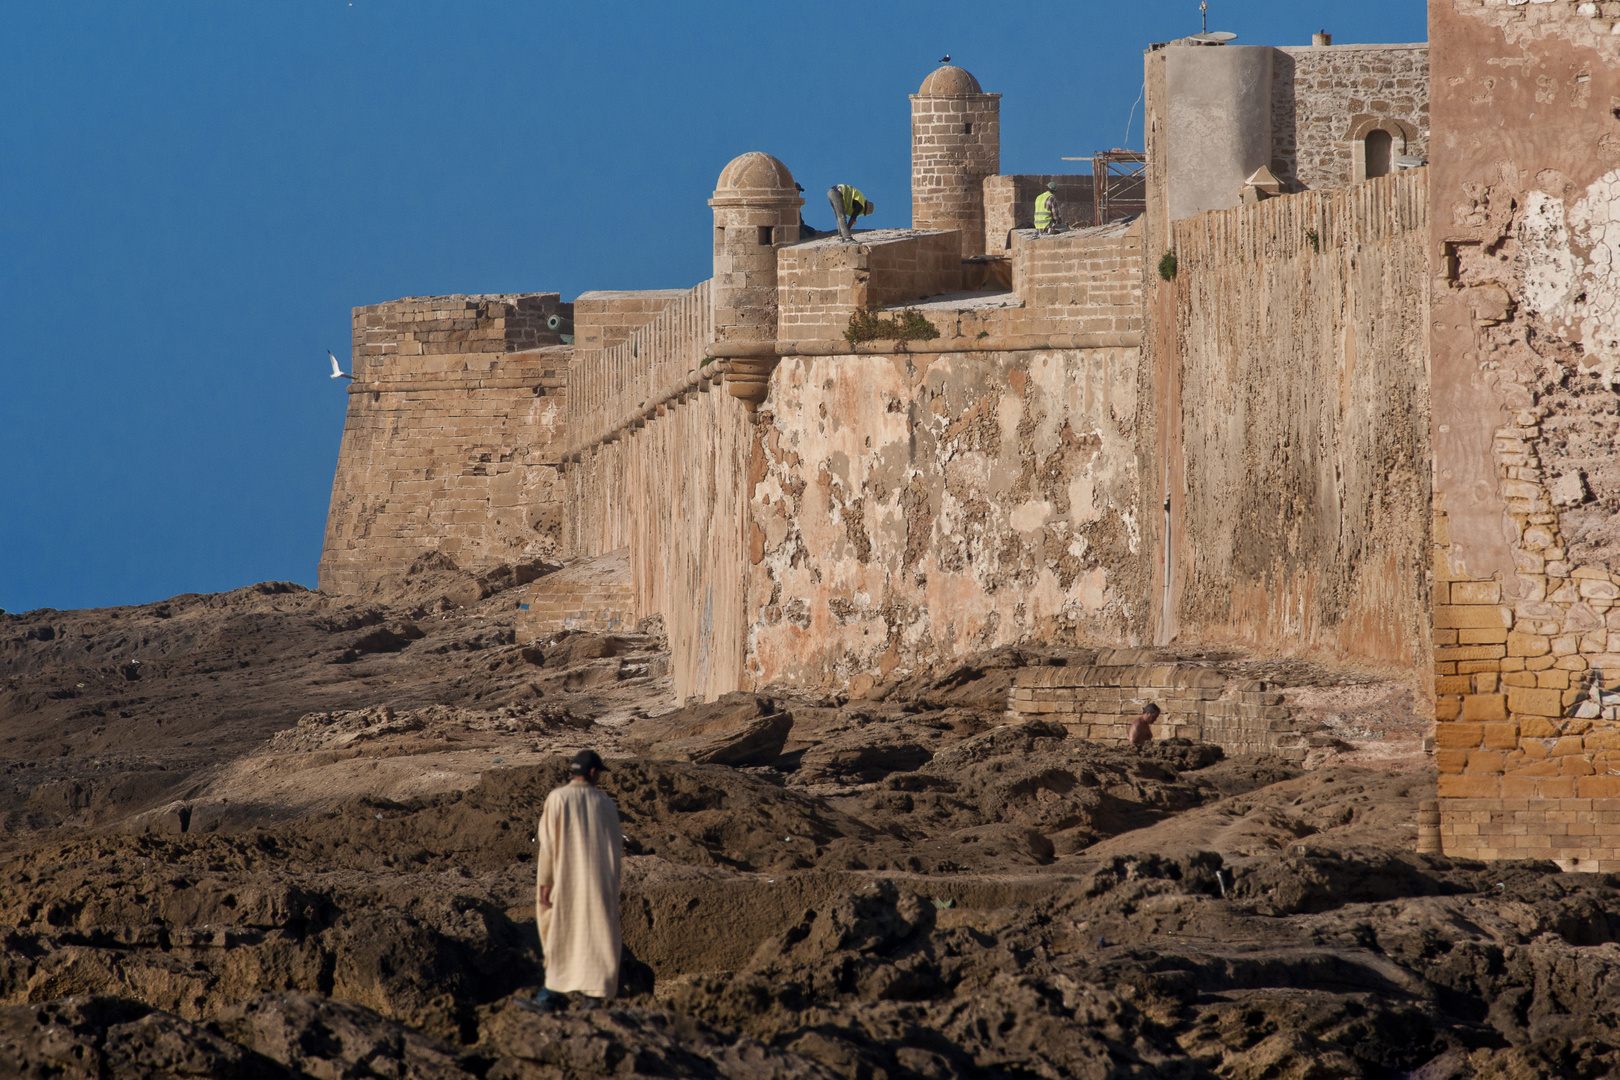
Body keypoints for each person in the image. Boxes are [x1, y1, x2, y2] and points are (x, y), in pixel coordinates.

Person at [527, 749, 623, 1011]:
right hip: (600, 882)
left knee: (563, 933)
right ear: (593, 773)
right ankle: (594, 996)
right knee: (598, 936)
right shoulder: (605, 804)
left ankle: (552, 995)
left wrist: (546, 883)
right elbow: (616, 846)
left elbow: (547, 845)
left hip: (567, 881)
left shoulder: (558, 798)